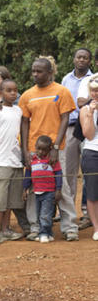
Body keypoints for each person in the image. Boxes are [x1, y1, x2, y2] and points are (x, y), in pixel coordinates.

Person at [19, 57, 78, 242]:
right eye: (33, 71)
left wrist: (54, 147)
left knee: (63, 188)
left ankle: (69, 227)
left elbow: (65, 119)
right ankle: (36, 227)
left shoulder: (62, 91)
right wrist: (25, 151)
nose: (35, 74)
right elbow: (24, 123)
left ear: (50, 72)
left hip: (55, 149)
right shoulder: (27, 95)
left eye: (40, 71)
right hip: (33, 151)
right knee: (34, 189)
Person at [0, 79, 25, 246]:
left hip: (16, 161)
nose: (13, 94)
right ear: (1, 92)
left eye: (15, 90)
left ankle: (6, 229)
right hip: (0, 160)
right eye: (9, 90)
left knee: (10, 199)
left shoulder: (19, 111)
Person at [61, 48, 93, 229]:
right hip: (71, 128)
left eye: (85, 58)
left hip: (89, 128)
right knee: (69, 172)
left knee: (89, 171)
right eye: (79, 57)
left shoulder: (93, 79)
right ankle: (68, 213)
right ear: (74, 59)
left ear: (90, 61)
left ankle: (88, 213)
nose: (81, 60)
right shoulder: (66, 79)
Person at [22, 135, 62, 243]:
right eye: (38, 148)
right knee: (39, 214)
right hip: (37, 192)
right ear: (35, 147)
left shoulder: (52, 161)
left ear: (50, 149)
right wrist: (24, 189)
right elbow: (28, 176)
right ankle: (48, 233)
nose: (40, 152)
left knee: (45, 215)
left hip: (49, 192)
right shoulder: (32, 160)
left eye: (44, 150)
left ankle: (43, 233)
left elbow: (58, 174)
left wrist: (58, 190)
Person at [78, 78, 98, 239]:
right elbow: (89, 135)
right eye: (93, 90)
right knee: (92, 192)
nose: (95, 93)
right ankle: (97, 228)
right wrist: (91, 113)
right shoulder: (85, 109)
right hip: (92, 152)